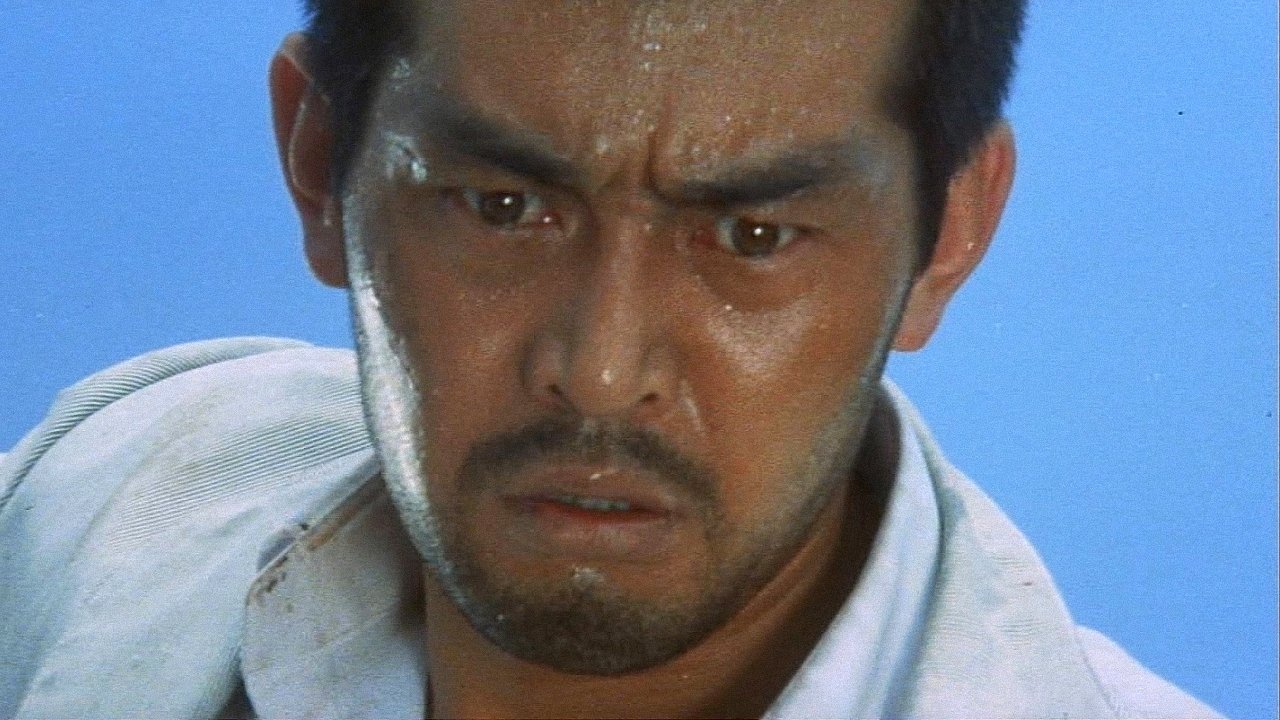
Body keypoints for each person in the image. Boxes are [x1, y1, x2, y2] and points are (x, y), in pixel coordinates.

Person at [0, 1, 1221, 717]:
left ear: (948, 231)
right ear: (320, 164)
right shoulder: (112, 491)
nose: (596, 372)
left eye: (752, 237)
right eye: (500, 208)